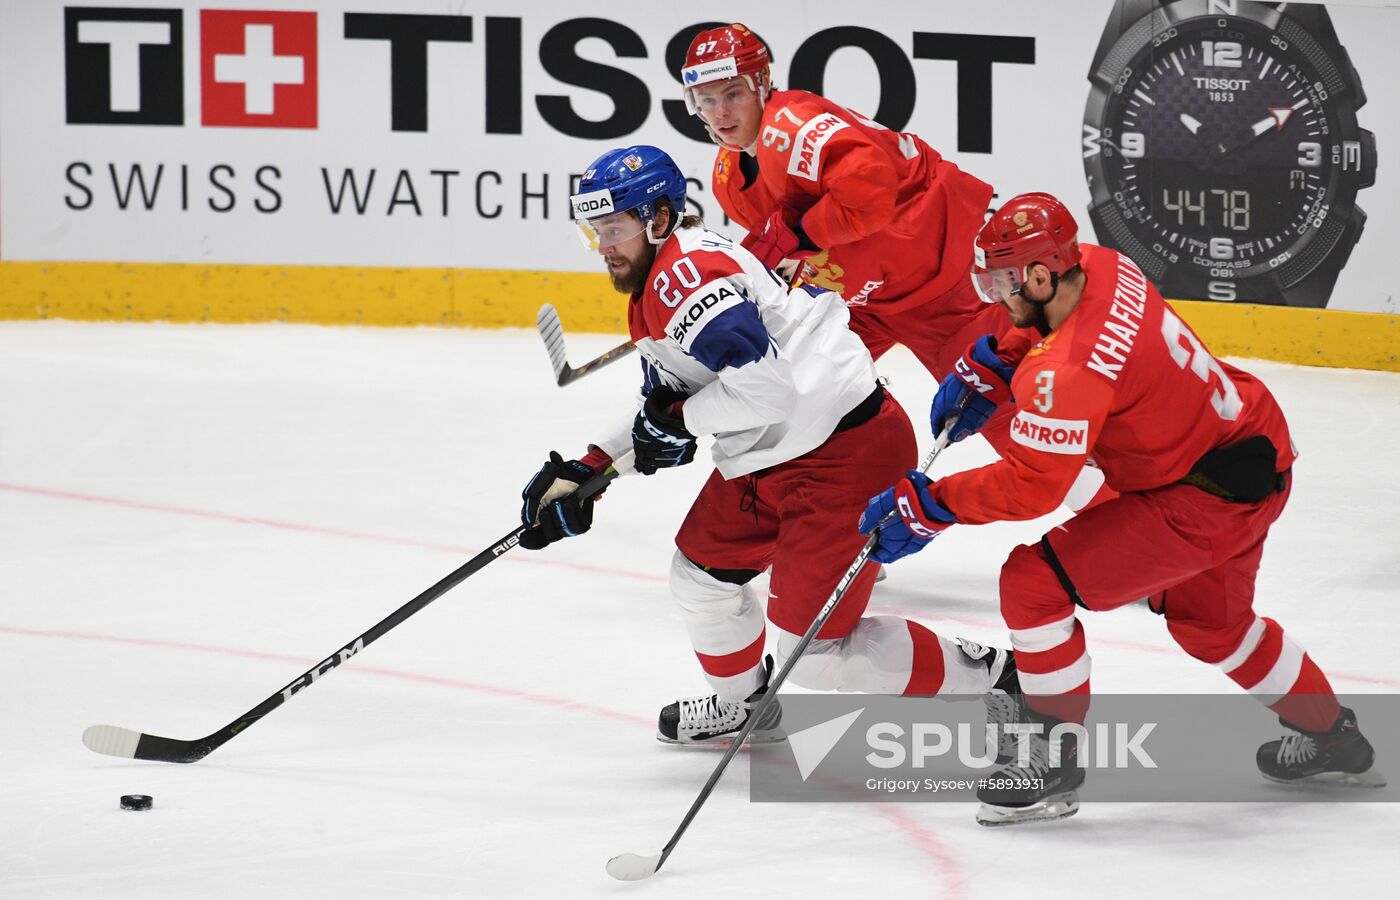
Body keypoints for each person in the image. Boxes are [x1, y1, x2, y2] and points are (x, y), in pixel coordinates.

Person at [860, 192, 1385, 826]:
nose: (997, 295)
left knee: (1033, 583)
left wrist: (930, 506)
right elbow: (1050, 324)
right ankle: (1338, 739)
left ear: (1039, 275)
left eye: (1004, 280)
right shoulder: (1106, 265)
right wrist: (999, 355)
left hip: (1198, 498)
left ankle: (1050, 763)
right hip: (1254, 446)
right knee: (1214, 627)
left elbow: (1033, 487)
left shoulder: (1064, 375)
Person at [517, 144, 1018, 745]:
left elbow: (765, 394)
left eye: (615, 229)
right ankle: (746, 705)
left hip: (845, 454)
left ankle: (999, 676)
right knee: (700, 578)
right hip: (776, 453)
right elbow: (678, 401)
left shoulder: (686, 276)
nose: (604, 247)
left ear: (657, 219)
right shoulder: (667, 270)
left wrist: (679, 424)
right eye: (595, 231)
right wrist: (591, 467)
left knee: (818, 656)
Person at [681, 24, 1111, 511]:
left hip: (941, 279)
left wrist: (800, 233)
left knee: (1001, 408)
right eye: (706, 98)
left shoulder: (793, 126)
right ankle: (834, 528)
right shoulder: (728, 176)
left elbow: (869, 192)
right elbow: (800, 247)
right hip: (863, 301)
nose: (720, 112)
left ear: (762, 84)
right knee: (804, 402)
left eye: (732, 93)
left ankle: (1123, 527)